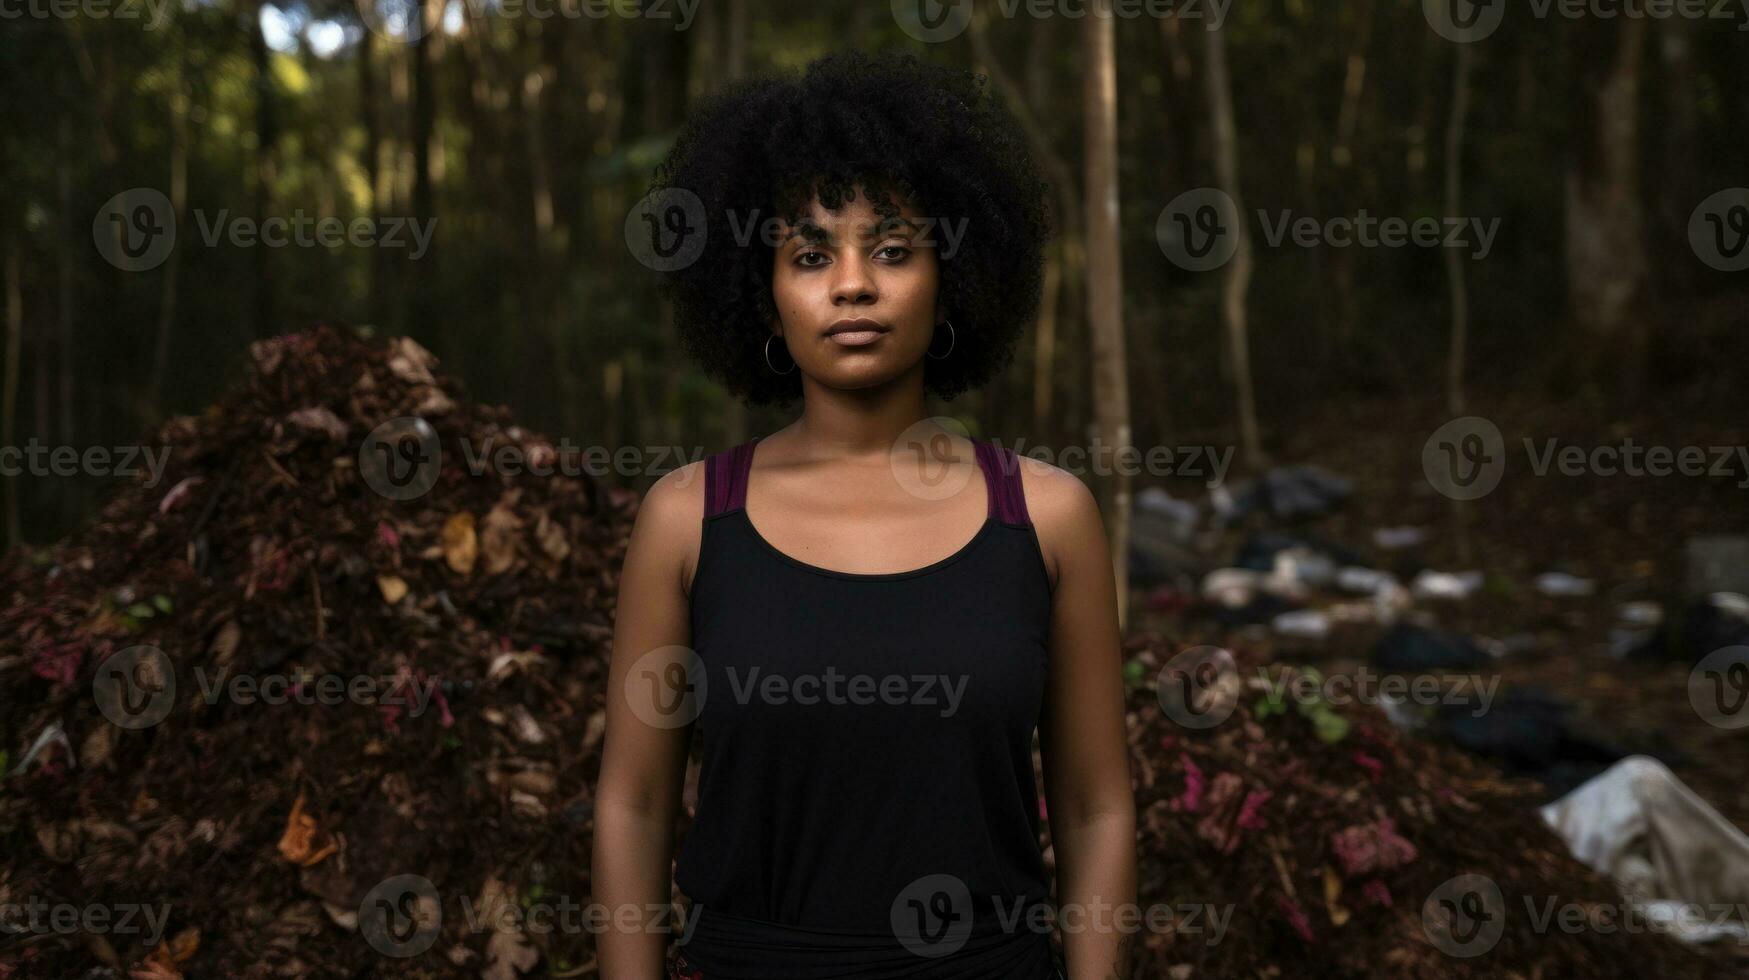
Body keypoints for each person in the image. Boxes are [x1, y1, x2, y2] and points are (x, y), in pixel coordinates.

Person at [593, 50, 1136, 979]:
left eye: (891, 249)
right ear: (761, 294)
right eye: (809, 254)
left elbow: (1096, 808)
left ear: (951, 278)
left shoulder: (1046, 516)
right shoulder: (687, 519)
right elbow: (633, 804)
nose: (853, 284)